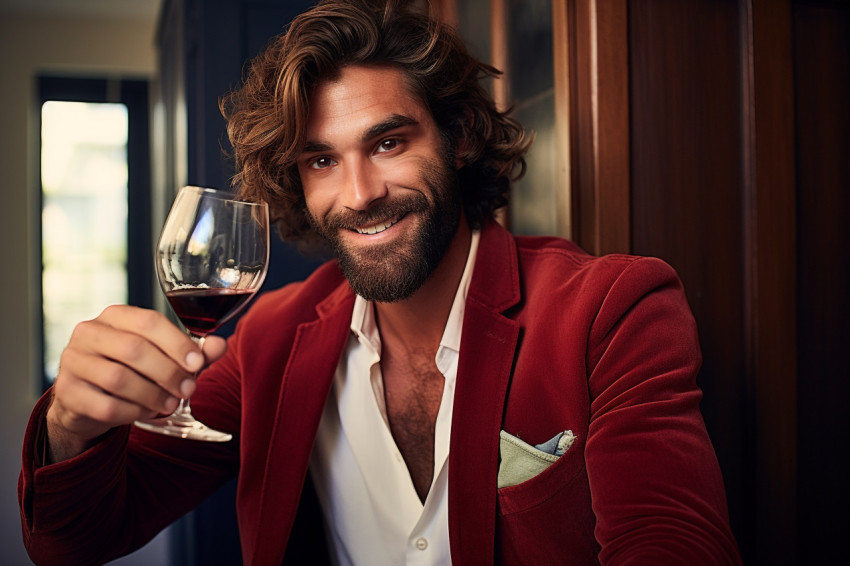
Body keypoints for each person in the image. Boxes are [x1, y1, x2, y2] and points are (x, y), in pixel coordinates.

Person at [18, 0, 742, 564]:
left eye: (388, 142)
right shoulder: (269, 344)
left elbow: (673, 541)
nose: (359, 193)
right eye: (321, 160)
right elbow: (74, 542)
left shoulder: (610, 310)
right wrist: (70, 427)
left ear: (457, 138)